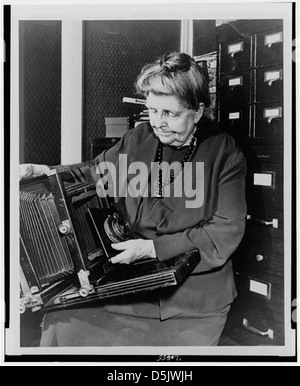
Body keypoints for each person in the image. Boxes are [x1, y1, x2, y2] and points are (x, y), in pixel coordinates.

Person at [19, 52, 247, 346]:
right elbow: (94, 174)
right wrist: (46, 172)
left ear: (198, 111)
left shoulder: (225, 154)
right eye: (152, 111)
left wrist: (152, 249)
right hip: (133, 289)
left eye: (171, 114)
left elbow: (224, 231)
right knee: (61, 325)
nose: (158, 123)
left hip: (193, 302)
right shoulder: (138, 139)